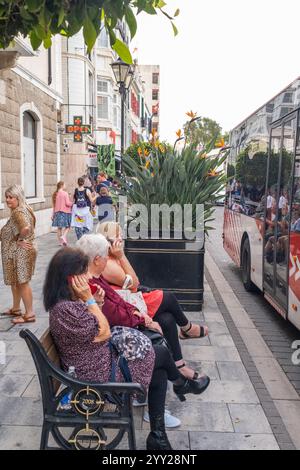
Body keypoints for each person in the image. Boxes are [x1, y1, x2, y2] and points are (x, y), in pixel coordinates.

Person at [44, 247, 210, 450]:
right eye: (83, 272)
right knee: (161, 355)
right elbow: (104, 332)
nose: (88, 277)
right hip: (96, 376)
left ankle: (159, 434)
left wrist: (93, 302)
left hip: (101, 362)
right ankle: (179, 383)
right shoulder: (65, 310)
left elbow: (96, 328)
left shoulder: (67, 302)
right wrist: (90, 301)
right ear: (71, 278)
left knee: (157, 360)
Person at [97, 222, 208, 380]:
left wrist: (120, 256)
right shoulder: (108, 263)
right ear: (106, 241)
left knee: (167, 319)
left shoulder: (112, 257)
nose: (121, 239)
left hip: (130, 302)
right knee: (168, 297)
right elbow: (134, 282)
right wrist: (121, 255)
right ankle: (187, 328)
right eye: (117, 236)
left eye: (121, 235)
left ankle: (180, 366)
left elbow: (133, 283)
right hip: (127, 307)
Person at [0, 185, 37, 324]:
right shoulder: (25, 208)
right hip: (20, 251)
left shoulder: (18, 212)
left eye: (11, 197)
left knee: (22, 283)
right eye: (6, 197)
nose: (7, 200)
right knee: (16, 282)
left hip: (21, 252)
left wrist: (20, 239)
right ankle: (16, 308)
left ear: (18, 198)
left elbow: (26, 228)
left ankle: (29, 314)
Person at [52, 181, 73, 246]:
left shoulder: (55, 194)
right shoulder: (65, 193)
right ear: (61, 185)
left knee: (59, 228)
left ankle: (61, 243)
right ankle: (64, 236)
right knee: (68, 226)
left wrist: (53, 214)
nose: (65, 186)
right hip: (65, 212)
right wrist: (72, 203)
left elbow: (54, 206)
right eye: (64, 185)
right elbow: (67, 203)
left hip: (57, 213)